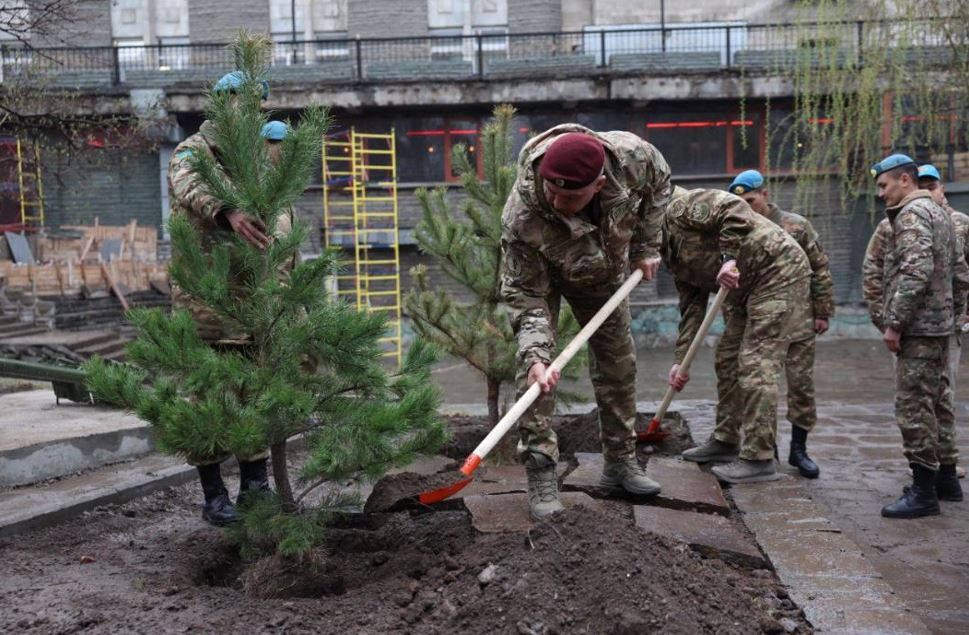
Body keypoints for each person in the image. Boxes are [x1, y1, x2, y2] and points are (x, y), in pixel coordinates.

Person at [500, 124, 671, 518]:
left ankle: (620, 462)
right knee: (535, 376)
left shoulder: (632, 158)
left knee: (619, 363)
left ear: (598, 184)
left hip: (605, 273)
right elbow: (525, 296)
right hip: (543, 278)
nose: (557, 202)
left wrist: (647, 245)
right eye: (552, 191)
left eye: (570, 195)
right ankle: (542, 473)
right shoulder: (522, 216)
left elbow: (661, 183)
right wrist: (536, 355)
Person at [168, 74, 281, 527]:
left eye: (260, 106)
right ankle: (213, 496)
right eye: (245, 103)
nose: (253, 113)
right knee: (206, 399)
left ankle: (256, 488)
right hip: (205, 305)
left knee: (253, 397)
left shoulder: (255, 163)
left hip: (252, 302)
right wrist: (228, 211)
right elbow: (189, 186)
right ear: (222, 104)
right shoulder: (193, 152)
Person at [664, 186, 813, 484]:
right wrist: (682, 361)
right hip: (741, 288)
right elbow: (691, 307)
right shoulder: (665, 252)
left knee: (756, 364)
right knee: (727, 358)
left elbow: (734, 209)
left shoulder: (681, 206)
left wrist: (728, 257)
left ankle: (759, 458)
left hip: (777, 271)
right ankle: (726, 440)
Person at [866, 153, 969, 518]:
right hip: (940, 327)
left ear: (904, 180)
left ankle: (923, 493)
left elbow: (916, 270)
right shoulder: (942, 214)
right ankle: (946, 481)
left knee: (913, 407)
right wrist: (954, 318)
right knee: (938, 401)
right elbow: (960, 272)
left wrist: (894, 322)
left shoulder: (911, 215)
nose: (881, 194)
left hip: (920, 328)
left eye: (884, 185)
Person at [727, 170, 834, 478]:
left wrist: (823, 311)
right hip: (761, 325)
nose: (747, 207)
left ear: (765, 195)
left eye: (750, 200)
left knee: (801, 386)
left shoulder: (796, 226)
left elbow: (820, 268)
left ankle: (799, 450)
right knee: (761, 383)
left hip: (800, 321)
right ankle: (764, 447)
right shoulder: (739, 232)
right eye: (740, 202)